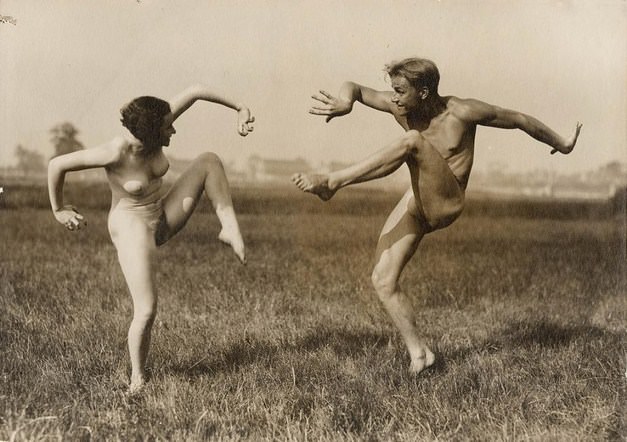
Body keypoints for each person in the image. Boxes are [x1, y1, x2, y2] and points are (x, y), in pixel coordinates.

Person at [292, 57, 582, 375]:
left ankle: (333, 182)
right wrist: (345, 101)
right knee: (382, 279)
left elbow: (517, 118)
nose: (395, 98)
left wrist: (563, 143)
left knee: (412, 141)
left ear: (425, 92)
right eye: (393, 91)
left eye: (401, 91)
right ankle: (420, 355)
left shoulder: (462, 111)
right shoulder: (400, 106)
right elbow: (356, 89)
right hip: (418, 201)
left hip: (447, 200)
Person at [48, 84, 255, 392]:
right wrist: (59, 208)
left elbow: (197, 91)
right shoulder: (115, 151)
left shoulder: (157, 120)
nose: (173, 130)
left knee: (209, 160)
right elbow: (57, 165)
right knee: (146, 309)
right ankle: (137, 378)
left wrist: (240, 106)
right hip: (131, 226)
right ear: (149, 132)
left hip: (161, 213)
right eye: (168, 127)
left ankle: (229, 228)